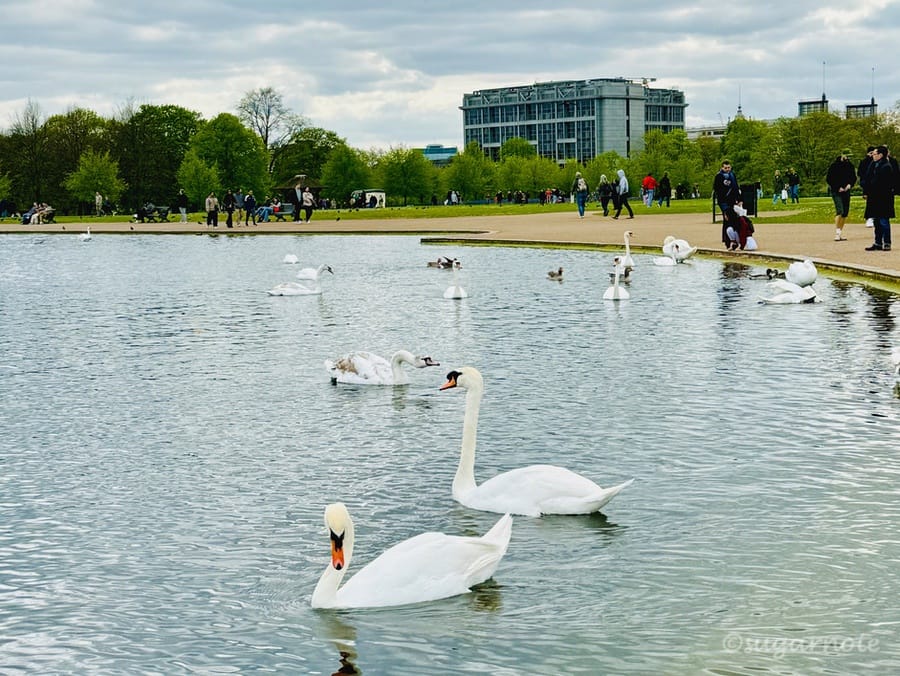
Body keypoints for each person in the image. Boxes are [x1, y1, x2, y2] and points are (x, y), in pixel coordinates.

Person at [863, 145, 894, 251]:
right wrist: (866, 191)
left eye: (875, 154)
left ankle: (887, 242)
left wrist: (871, 187)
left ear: (880, 155)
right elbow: (867, 178)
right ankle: (878, 242)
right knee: (876, 221)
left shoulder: (886, 166)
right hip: (874, 197)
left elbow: (883, 183)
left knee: (883, 221)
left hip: (883, 198)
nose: (873, 155)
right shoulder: (873, 165)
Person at [826, 150, 856, 241]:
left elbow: (853, 177)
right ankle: (837, 232)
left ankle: (839, 232)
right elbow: (829, 179)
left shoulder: (850, 166)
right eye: (847, 155)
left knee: (845, 213)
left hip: (846, 191)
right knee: (840, 211)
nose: (848, 157)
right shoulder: (834, 166)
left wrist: (850, 184)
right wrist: (837, 187)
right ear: (842, 155)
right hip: (836, 191)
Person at [713, 159, 742, 248]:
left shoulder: (732, 175)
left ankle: (734, 239)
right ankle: (727, 241)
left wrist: (739, 199)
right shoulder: (719, 176)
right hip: (724, 201)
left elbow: (736, 187)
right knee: (727, 220)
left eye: (729, 167)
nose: (727, 169)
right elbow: (717, 190)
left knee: (734, 220)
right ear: (722, 168)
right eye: (725, 168)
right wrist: (724, 208)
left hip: (732, 201)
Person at [858, 146, 876, 227]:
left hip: (875, 183)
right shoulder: (864, 162)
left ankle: (874, 217)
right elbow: (860, 173)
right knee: (870, 202)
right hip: (867, 184)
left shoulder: (876, 161)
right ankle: (869, 217)